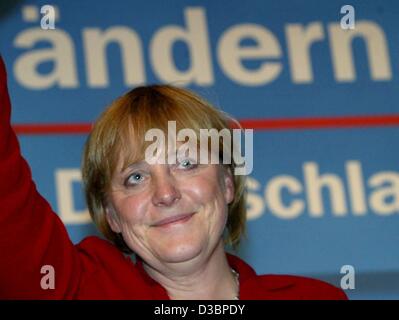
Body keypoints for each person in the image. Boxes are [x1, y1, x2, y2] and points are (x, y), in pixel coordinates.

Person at [0, 55, 347, 300]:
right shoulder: (77, 290)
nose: (165, 193)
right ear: (112, 215)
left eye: (186, 163)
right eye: (135, 177)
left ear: (227, 183)